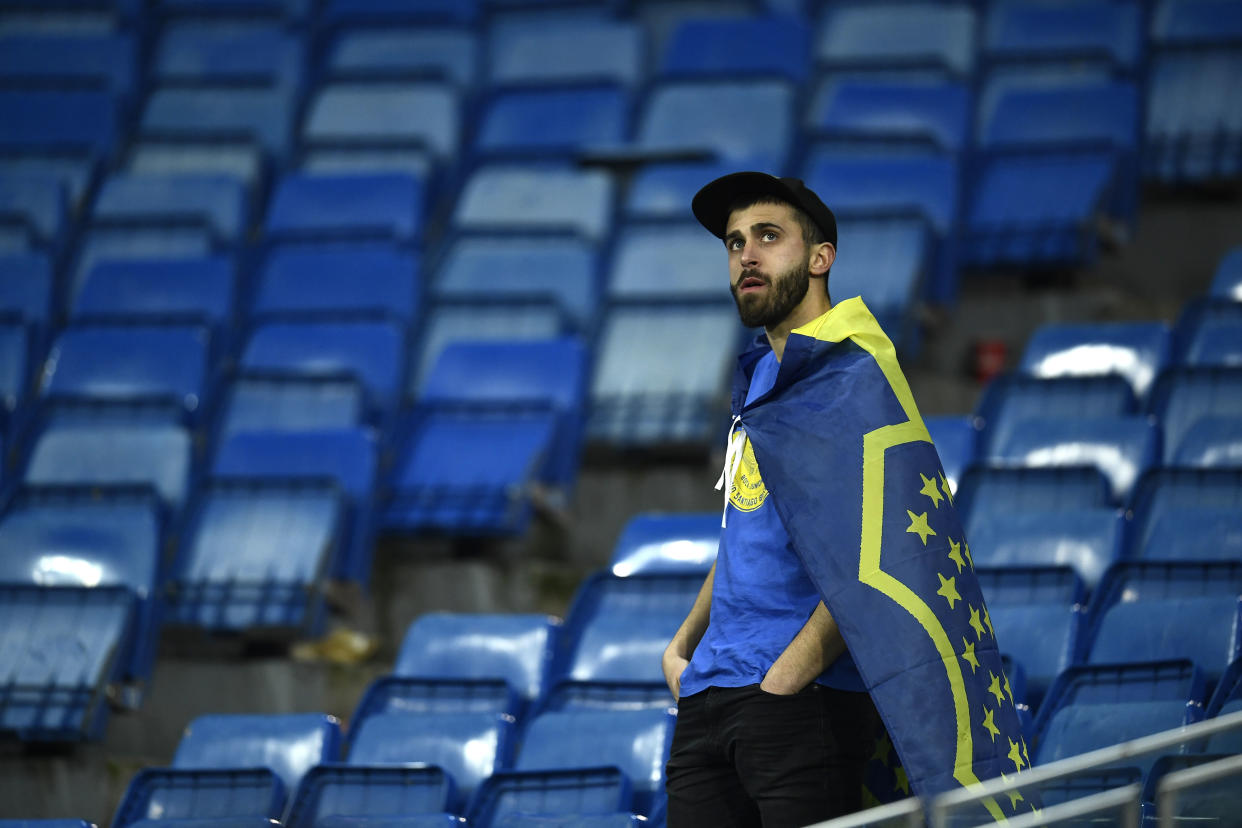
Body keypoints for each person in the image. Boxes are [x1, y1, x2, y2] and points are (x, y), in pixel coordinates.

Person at [662, 172, 1034, 828]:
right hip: (710, 697)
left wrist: (786, 677)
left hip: (797, 705)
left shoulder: (853, 375)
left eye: (768, 237)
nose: (745, 255)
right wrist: (683, 648)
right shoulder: (761, 380)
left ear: (819, 257)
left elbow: (886, 546)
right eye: (734, 242)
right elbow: (748, 528)